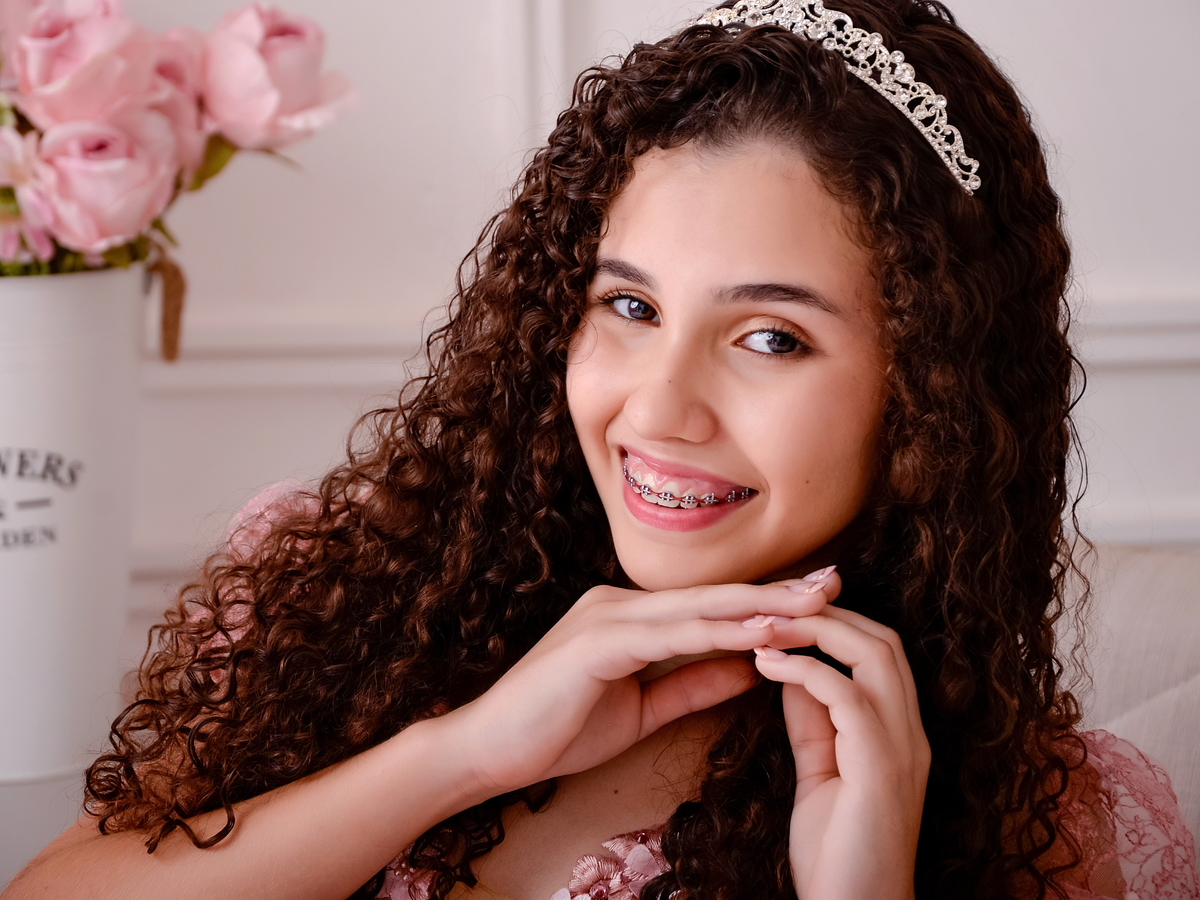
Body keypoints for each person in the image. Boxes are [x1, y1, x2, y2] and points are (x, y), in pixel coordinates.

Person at [4, 1, 1196, 899]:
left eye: (771, 337)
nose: (659, 409)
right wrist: (458, 755)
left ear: (931, 391)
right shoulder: (341, 588)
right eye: (628, 307)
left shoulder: (1040, 822)